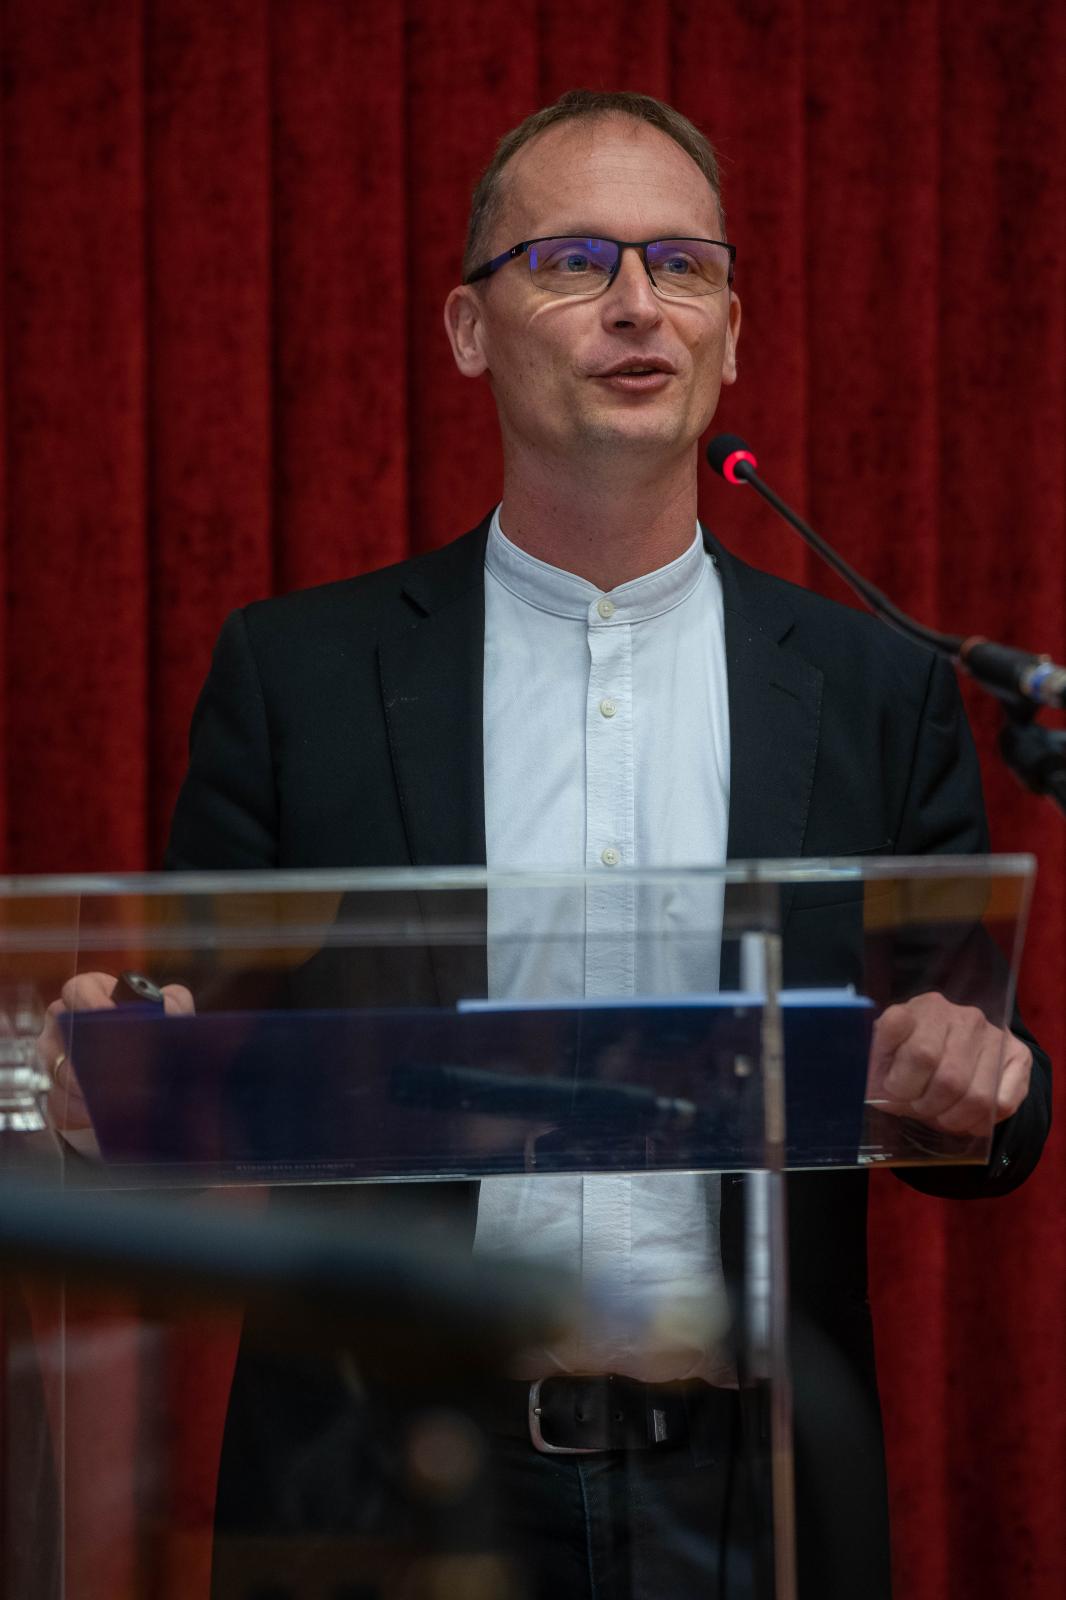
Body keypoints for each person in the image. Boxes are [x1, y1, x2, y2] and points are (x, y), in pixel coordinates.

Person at [50, 91, 1050, 1599]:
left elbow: (984, 1097)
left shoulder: (873, 689)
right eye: (574, 260)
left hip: (751, 1495)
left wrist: (983, 1075)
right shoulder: (300, 676)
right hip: (391, 1485)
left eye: (681, 263)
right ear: (469, 330)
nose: (637, 304)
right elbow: (193, 1061)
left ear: (731, 334)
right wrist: (120, 1071)